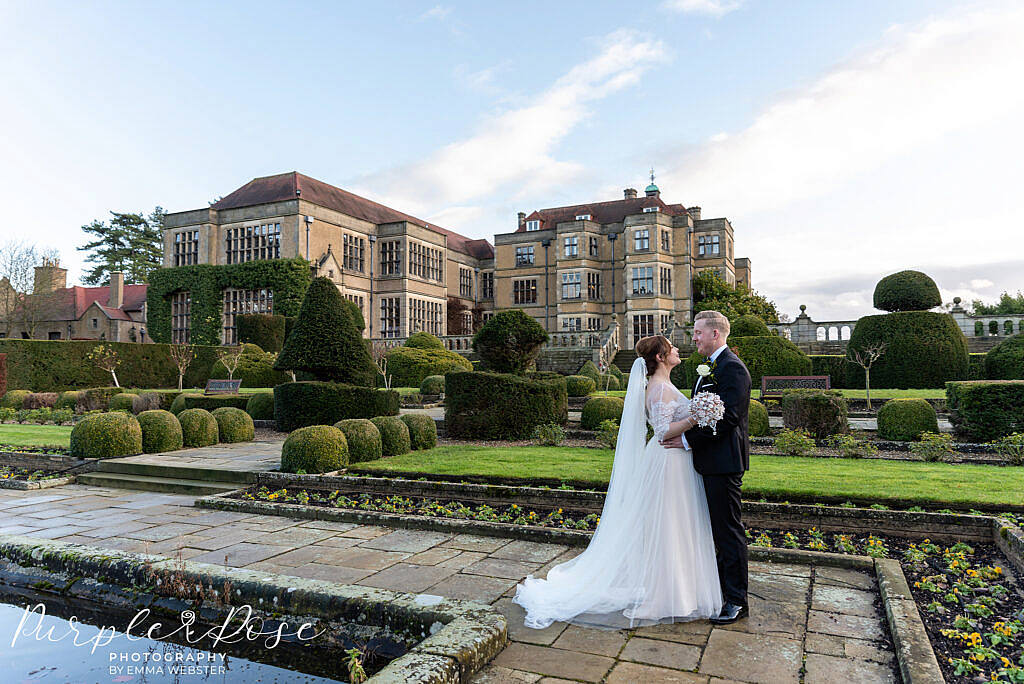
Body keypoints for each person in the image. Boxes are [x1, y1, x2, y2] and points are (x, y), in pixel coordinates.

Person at [512, 335, 722, 629]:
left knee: (674, 524)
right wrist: (697, 417)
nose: (676, 349)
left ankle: (677, 591)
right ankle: (664, 596)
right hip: (667, 462)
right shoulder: (659, 389)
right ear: (660, 357)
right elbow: (662, 431)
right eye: (671, 347)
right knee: (668, 525)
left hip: (675, 462)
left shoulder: (663, 385)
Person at [661, 310, 750, 624]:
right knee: (716, 530)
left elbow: (728, 419)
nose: (694, 337)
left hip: (724, 461)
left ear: (715, 334)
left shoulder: (732, 369)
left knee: (728, 531)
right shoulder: (709, 369)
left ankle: (737, 600)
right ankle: (721, 591)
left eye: (698, 332)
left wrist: (685, 441)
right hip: (710, 461)